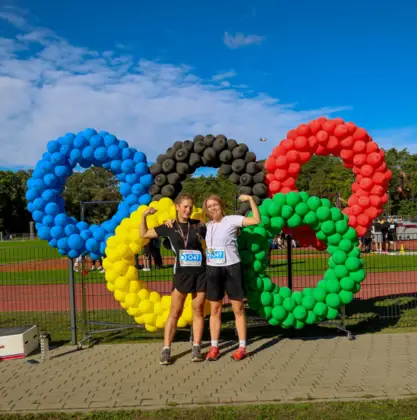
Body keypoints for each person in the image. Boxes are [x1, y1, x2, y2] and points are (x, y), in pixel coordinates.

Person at [140, 194, 207, 365]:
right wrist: (143, 216)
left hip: (201, 273)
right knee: (175, 312)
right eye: (185, 206)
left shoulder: (198, 225)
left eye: (190, 207)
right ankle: (166, 349)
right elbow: (145, 234)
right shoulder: (169, 226)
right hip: (182, 274)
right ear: (177, 207)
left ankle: (196, 348)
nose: (188, 210)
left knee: (198, 310)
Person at [203, 194, 261, 362]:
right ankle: (214, 347)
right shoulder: (206, 226)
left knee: (238, 309)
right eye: (209, 206)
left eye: (215, 204)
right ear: (206, 210)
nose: (213, 208)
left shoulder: (232, 220)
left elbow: (256, 220)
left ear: (221, 205)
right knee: (215, 309)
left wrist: (250, 200)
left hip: (231, 268)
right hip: (213, 269)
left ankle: (242, 347)